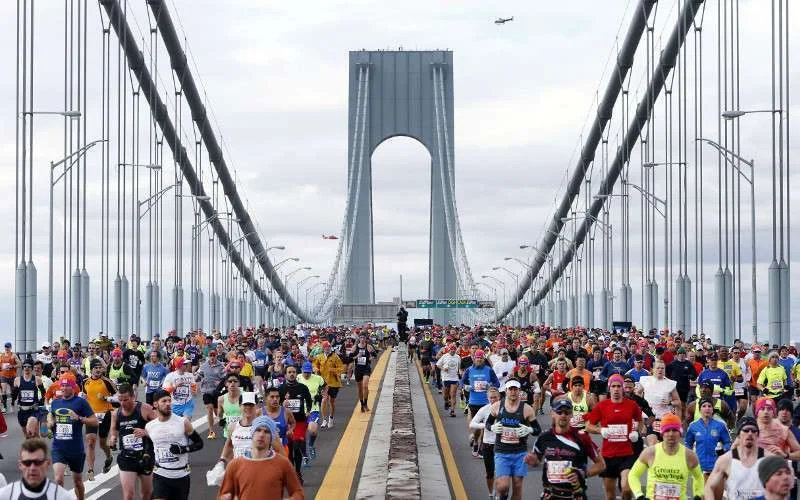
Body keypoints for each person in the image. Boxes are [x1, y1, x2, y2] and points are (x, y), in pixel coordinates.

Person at [526, 399, 606, 500]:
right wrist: (533, 461)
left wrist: (583, 474)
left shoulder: (582, 437)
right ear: (552, 414)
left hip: (575, 495)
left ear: (571, 415)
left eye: (567, 412)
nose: (563, 415)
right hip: (550, 494)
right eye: (559, 412)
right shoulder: (544, 438)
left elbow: (601, 464)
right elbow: (536, 460)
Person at [584, 374, 644, 500]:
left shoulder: (632, 405)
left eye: (618, 386)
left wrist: (636, 432)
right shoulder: (602, 406)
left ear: (622, 388)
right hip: (608, 455)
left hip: (627, 454)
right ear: (609, 388)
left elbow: (640, 421)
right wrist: (601, 430)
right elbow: (588, 426)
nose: (616, 389)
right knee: (610, 495)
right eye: (613, 386)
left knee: (626, 489)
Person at [217, 416, 305, 500]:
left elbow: (298, 493)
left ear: (272, 438)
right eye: (258, 430)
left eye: (266, 432)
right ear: (252, 434)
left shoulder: (283, 464)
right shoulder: (235, 465)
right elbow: (223, 494)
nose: (261, 435)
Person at [627, 413, 705, 500]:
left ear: (680, 433)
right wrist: (639, 495)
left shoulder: (689, 455)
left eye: (674, 430)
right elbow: (633, 475)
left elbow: (699, 477)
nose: (671, 434)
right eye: (667, 430)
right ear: (662, 433)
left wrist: (698, 495)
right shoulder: (650, 452)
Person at [145, 389, 204, 500]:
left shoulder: (183, 422)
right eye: (164, 401)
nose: (168, 404)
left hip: (181, 475)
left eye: (169, 400)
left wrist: (183, 449)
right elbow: (150, 445)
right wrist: (147, 456)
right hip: (161, 474)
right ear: (155, 404)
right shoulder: (150, 426)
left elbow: (199, 443)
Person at [483, 379, 537, 500]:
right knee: (503, 486)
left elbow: (537, 429)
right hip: (502, 452)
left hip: (520, 452)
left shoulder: (527, 409)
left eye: (515, 389)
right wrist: (492, 427)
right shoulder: (497, 406)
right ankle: (501, 495)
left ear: (519, 391)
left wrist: (529, 429)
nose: (513, 392)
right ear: (506, 391)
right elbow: (488, 424)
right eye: (510, 389)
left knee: (517, 485)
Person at [49, 377, 99, 500]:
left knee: (77, 481)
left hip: (75, 449)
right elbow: (50, 417)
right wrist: (49, 422)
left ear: (73, 388)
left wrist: (80, 418)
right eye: (62, 386)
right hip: (58, 447)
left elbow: (95, 421)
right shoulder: (55, 403)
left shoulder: (81, 402)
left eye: (67, 386)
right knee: (58, 479)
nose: (64, 388)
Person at [108, 383, 157, 500]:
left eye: (126, 400)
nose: (122, 403)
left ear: (133, 397)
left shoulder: (144, 408)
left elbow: (160, 426)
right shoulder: (116, 413)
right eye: (120, 400)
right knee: (129, 495)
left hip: (146, 455)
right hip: (127, 458)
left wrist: (145, 432)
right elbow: (114, 428)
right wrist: (113, 437)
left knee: (147, 495)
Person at [704, 417, 766, 500]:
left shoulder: (768, 459)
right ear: (738, 435)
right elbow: (709, 487)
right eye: (746, 430)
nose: (750, 433)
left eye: (754, 430)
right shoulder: (726, 460)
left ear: (758, 435)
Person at [0, 438, 77, 499]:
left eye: (37, 462)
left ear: (47, 464)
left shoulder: (63, 497)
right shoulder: (5, 495)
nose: (32, 468)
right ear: (20, 465)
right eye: (27, 463)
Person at [82, 359, 117, 480]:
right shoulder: (85, 382)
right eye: (95, 368)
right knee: (90, 442)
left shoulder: (107, 382)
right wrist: (83, 398)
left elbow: (118, 397)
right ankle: (90, 470)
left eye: (99, 368)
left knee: (102, 443)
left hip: (105, 415)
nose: (98, 370)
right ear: (91, 369)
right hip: (91, 415)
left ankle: (109, 456)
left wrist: (106, 398)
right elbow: (85, 396)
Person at [461, 350, 500, 458]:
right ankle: (475, 442)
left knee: (486, 427)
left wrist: (490, 386)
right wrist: (466, 387)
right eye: (477, 358)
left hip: (486, 403)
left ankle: (481, 449)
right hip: (474, 402)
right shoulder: (469, 370)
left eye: (481, 358)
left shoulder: (489, 370)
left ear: (484, 359)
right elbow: (461, 382)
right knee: (477, 427)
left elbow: (497, 383)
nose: (479, 359)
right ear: (474, 358)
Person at [279, 363, 313, 483]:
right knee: (289, 449)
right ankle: (292, 472)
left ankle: (297, 471)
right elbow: (275, 404)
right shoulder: (281, 389)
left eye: (293, 372)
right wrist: (281, 405)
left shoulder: (302, 387)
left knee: (297, 446)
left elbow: (309, 400)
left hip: (300, 421)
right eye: (289, 372)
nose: (292, 374)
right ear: (285, 375)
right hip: (286, 423)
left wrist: (308, 411)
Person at [685, 397, 731, 477]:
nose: (707, 408)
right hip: (699, 467)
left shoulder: (720, 425)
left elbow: (728, 443)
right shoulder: (693, 426)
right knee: (699, 485)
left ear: (712, 410)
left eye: (709, 406)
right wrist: (690, 457)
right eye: (704, 406)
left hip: (716, 466)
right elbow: (688, 443)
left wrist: (723, 450)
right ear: (700, 410)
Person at [639, 360, 682, 446]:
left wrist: (670, 402)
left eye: (662, 368)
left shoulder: (670, 384)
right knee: (653, 443)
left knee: (665, 446)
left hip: (665, 419)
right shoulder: (645, 380)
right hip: (650, 418)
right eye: (658, 368)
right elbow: (637, 394)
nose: (660, 370)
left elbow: (678, 402)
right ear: (653, 369)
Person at [469, 387, 501, 498]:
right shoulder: (485, 409)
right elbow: (472, 424)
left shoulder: (505, 409)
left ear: (499, 397)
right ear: (488, 398)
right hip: (488, 444)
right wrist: (486, 426)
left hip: (502, 445)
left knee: (501, 471)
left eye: (495, 397)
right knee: (490, 473)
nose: (493, 400)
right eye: (491, 398)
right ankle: (491, 492)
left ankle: (499, 494)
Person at [298, 361, 325, 461]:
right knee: (300, 435)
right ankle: (304, 456)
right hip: (300, 409)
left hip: (313, 408)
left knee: (313, 430)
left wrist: (322, 395)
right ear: (302, 371)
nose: (307, 374)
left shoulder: (318, 378)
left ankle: (310, 445)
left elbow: (325, 386)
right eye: (305, 372)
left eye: (308, 372)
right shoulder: (298, 378)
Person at [313, 341, 344, 429]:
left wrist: (333, 370)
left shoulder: (335, 357)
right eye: (326, 347)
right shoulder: (320, 357)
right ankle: (324, 420)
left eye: (329, 346)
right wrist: (316, 369)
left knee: (331, 402)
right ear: (323, 348)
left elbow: (341, 368)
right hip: (324, 382)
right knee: (324, 400)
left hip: (334, 383)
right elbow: (314, 364)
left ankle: (331, 417)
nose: (328, 348)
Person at [13, 359, 43, 438]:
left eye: (29, 366)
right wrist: (12, 403)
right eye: (25, 366)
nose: (27, 368)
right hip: (22, 410)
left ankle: (39, 445)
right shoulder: (17, 380)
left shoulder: (37, 379)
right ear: (23, 368)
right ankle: (32, 444)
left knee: (33, 433)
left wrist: (41, 402)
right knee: (27, 435)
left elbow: (44, 393)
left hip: (33, 410)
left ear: (32, 368)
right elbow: (14, 395)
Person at [349, 336, 376, 412]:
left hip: (366, 368)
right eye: (361, 337)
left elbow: (375, 355)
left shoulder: (369, 347)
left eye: (364, 337)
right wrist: (356, 356)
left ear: (365, 339)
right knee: (360, 389)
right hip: (358, 369)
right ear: (359, 339)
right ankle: (362, 404)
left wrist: (371, 358)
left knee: (365, 386)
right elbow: (350, 358)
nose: (362, 339)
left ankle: (365, 404)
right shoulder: (355, 347)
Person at [437, 343, 462, 418]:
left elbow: (459, 367)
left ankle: (452, 411)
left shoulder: (458, 357)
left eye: (454, 349)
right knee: (446, 395)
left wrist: (460, 373)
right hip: (446, 378)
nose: (453, 350)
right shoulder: (445, 356)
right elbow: (438, 365)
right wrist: (443, 369)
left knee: (453, 394)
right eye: (451, 349)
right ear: (448, 350)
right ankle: (446, 401)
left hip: (455, 378)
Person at [217, 374, 243, 440]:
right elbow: (219, 414)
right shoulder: (221, 399)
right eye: (230, 381)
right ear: (226, 384)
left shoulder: (245, 396)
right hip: (228, 434)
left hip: (243, 433)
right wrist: (221, 420)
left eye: (235, 381)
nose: (232, 383)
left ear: (239, 383)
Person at [1, 343, 21, 413]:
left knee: (13, 392)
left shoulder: (13, 355)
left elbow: (19, 364)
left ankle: (12, 404)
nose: (7, 348)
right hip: (3, 375)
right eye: (6, 347)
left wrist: (12, 366)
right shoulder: (1, 355)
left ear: (10, 348)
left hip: (12, 376)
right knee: (4, 391)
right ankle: (5, 407)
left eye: (8, 347)